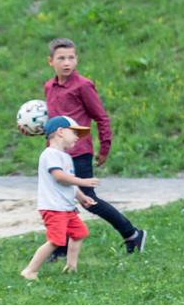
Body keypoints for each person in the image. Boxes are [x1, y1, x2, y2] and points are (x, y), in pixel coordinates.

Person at [44, 38, 146, 257]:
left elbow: (101, 117)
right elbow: (54, 121)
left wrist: (104, 147)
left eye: (71, 57)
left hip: (79, 152)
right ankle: (60, 248)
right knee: (59, 199)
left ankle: (132, 234)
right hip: (56, 154)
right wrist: (37, 131)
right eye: (61, 58)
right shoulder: (49, 87)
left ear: (76, 59)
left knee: (88, 200)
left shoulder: (83, 85)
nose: (67, 62)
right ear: (50, 61)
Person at [21, 116, 98, 279]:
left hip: (66, 207)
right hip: (53, 207)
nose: (77, 137)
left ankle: (71, 267)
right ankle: (30, 270)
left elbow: (69, 183)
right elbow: (59, 177)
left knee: (79, 233)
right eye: (75, 132)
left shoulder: (65, 157)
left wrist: (82, 197)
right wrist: (83, 181)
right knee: (56, 240)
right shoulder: (50, 154)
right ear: (61, 132)